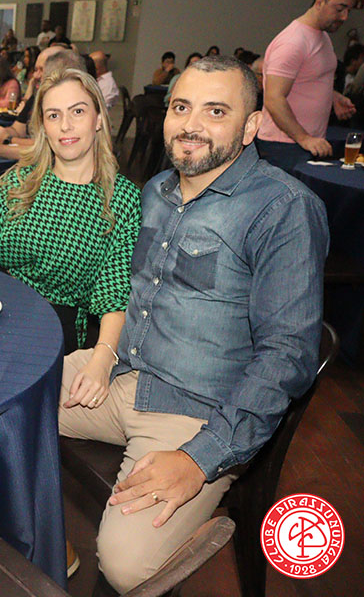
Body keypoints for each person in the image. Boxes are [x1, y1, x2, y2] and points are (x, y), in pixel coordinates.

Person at [58, 55, 327, 593]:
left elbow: (286, 357)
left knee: (125, 564)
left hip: (195, 414)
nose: (191, 125)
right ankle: (41, 535)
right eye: (181, 107)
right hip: (119, 377)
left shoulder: (283, 208)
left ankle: (203, 520)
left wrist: (199, 460)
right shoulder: (156, 190)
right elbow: (123, 289)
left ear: (251, 126)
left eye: (216, 111)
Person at [0, 66, 139, 359]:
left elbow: (114, 296)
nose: (65, 126)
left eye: (77, 112)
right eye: (54, 115)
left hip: (60, 338)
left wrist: (102, 361)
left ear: (98, 119)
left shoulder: (121, 198)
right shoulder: (17, 182)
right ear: (43, 126)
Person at [258, 0, 356, 172]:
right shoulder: (293, 41)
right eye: (340, 9)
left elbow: (309, 78)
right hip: (285, 145)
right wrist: (304, 138)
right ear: (319, 2)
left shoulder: (322, 36)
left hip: (307, 142)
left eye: (349, 10)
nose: (344, 17)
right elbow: (273, 98)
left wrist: (333, 97)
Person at [0, 46, 84, 157]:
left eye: (41, 70)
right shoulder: (37, 97)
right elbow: (18, 129)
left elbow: (46, 147)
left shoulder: (71, 104)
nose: (35, 75)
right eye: (35, 70)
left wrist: (7, 140)